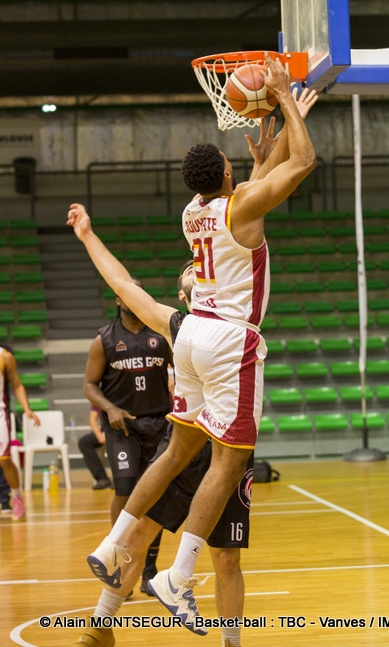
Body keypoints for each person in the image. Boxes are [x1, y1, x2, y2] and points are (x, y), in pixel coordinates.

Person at [68, 57, 316, 632]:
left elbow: (247, 193)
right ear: (226, 174)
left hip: (191, 334)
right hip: (231, 340)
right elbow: (302, 163)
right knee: (229, 463)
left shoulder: (193, 212)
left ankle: (113, 546)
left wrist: (264, 155)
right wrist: (284, 98)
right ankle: (178, 574)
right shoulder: (239, 207)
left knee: (178, 453)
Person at [73, 261, 252, 647]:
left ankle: (231, 642)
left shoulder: (237, 318)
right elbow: (124, 285)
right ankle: (100, 625)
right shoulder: (176, 325)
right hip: (187, 444)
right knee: (141, 532)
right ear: (184, 296)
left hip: (229, 449)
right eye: (189, 269)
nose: (196, 266)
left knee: (227, 558)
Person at [83, 283, 173, 593]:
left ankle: (148, 570)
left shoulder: (162, 336)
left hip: (159, 424)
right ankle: (116, 561)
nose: (131, 299)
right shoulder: (104, 339)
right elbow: (89, 385)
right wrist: (109, 408)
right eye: (126, 294)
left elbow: (187, 370)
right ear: (118, 300)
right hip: (122, 427)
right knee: (124, 490)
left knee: (154, 497)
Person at [0, 345, 41, 520]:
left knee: (4, 460)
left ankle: (16, 497)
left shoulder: (5, 357)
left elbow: (17, 385)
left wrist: (27, 408)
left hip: (0, 414)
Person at [78, 405, 113, 490]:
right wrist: (99, 436)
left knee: (115, 441)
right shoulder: (96, 399)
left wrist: (109, 432)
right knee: (84, 442)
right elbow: (92, 419)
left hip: (118, 429)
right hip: (104, 431)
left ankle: (119, 478)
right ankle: (102, 478)